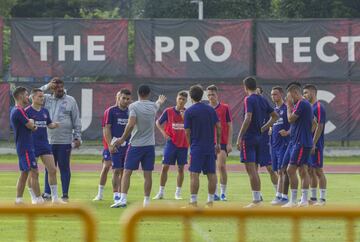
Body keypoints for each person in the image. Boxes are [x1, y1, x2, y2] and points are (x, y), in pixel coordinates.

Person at [111, 85, 166, 208]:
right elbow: (157, 104)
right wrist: (159, 101)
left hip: (136, 145)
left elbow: (130, 125)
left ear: (138, 93)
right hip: (150, 146)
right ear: (149, 94)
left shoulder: (133, 106)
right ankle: (146, 202)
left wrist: (122, 139)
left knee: (127, 172)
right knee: (148, 174)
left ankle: (123, 199)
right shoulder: (153, 106)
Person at [236, 77, 278, 208]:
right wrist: (264, 128)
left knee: (251, 170)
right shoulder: (262, 99)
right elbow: (275, 116)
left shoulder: (248, 99)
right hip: (260, 138)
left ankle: (256, 200)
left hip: (249, 137)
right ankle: (258, 198)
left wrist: (239, 136)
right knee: (256, 169)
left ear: (245, 87)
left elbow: (248, 118)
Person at [39, 78, 82, 202]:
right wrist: (47, 85)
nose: (60, 89)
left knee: (64, 167)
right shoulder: (45, 98)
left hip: (64, 141)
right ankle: (47, 193)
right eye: (56, 87)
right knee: (49, 168)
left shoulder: (70, 100)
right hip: (48, 140)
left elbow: (76, 120)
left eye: (61, 87)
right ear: (52, 88)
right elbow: (32, 96)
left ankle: (65, 195)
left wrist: (77, 137)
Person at [184, 85, 221, 207]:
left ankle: (193, 201)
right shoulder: (211, 109)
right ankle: (210, 201)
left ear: (190, 96)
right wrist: (218, 143)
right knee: (211, 174)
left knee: (194, 174)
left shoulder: (189, 111)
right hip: (210, 147)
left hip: (197, 147)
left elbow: (187, 132)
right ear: (203, 95)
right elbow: (219, 127)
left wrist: (190, 146)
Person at [93, 89, 132, 206]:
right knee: (109, 168)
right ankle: (103, 193)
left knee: (122, 171)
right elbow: (106, 128)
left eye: (128, 99)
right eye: (123, 98)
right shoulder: (110, 111)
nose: (125, 101)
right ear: (118, 98)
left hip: (127, 145)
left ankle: (120, 196)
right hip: (112, 145)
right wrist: (110, 144)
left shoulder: (131, 111)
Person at [25, 88, 62, 204]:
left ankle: (55, 198)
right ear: (33, 97)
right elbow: (24, 127)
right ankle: (34, 197)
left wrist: (54, 125)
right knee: (32, 173)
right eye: (40, 96)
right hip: (31, 146)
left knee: (52, 170)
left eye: (43, 97)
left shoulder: (45, 111)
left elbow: (48, 124)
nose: (42, 98)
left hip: (44, 144)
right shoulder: (27, 111)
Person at [153, 91, 189, 200]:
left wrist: (185, 118)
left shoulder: (188, 113)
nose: (181, 101)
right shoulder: (168, 111)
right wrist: (164, 133)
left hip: (183, 145)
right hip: (171, 143)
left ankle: (178, 193)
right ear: (176, 99)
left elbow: (191, 127)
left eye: (183, 99)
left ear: (186, 101)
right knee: (165, 167)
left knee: (181, 168)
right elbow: (158, 122)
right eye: (180, 98)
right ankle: (161, 192)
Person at [282, 84, 313, 208]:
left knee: (290, 170)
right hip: (302, 141)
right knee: (302, 170)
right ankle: (304, 200)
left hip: (300, 143)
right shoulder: (304, 105)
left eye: (288, 96)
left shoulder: (301, 103)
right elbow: (314, 123)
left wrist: (289, 106)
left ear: (294, 93)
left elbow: (290, 119)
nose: (287, 99)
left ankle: (293, 201)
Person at [10, 87, 39, 204]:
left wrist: (31, 123)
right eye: (27, 95)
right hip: (26, 147)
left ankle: (19, 200)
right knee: (34, 171)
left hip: (23, 146)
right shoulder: (19, 110)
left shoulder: (15, 110)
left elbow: (30, 125)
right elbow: (31, 126)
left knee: (24, 173)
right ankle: (39, 200)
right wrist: (32, 123)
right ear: (21, 96)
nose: (29, 97)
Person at [206, 85, 233, 201]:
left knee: (221, 166)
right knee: (211, 169)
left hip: (222, 142)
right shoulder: (206, 109)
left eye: (213, 94)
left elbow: (230, 125)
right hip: (208, 143)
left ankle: (223, 193)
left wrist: (229, 143)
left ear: (217, 95)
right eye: (209, 95)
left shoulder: (225, 107)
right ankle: (215, 192)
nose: (211, 96)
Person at [303, 84, 327, 206]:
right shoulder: (309, 107)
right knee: (310, 170)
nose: (304, 95)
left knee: (318, 171)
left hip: (316, 145)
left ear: (313, 93)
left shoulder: (318, 107)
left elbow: (320, 126)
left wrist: (313, 142)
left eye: (306, 92)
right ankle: (313, 198)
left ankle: (322, 199)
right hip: (308, 144)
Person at [256, 87, 278, 198]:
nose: (256, 94)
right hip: (252, 140)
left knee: (270, 168)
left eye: (258, 92)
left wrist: (266, 128)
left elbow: (274, 117)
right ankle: (257, 195)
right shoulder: (248, 103)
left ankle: (279, 193)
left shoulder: (265, 104)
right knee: (253, 168)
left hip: (264, 140)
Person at [269, 86, 290, 205]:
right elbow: (273, 124)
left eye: (275, 94)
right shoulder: (273, 110)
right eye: (272, 94)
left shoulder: (286, 108)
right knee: (277, 170)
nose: (273, 96)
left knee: (283, 170)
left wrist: (287, 132)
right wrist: (271, 129)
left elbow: (293, 124)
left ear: (281, 94)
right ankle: (281, 195)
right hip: (274, 144)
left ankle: (281, 196)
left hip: (284, 144)